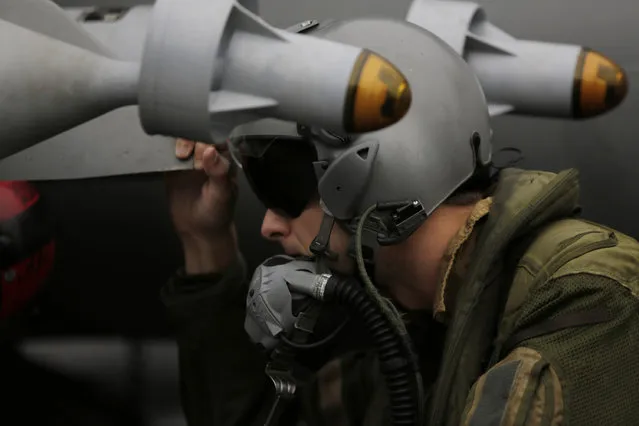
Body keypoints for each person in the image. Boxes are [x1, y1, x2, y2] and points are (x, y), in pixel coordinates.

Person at [160, 18, 639, 426]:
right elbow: (255, 419)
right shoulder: (427, 340)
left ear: (375, 173)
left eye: (280, 185)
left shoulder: (590, 306)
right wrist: (204, 240)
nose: (269, 226)